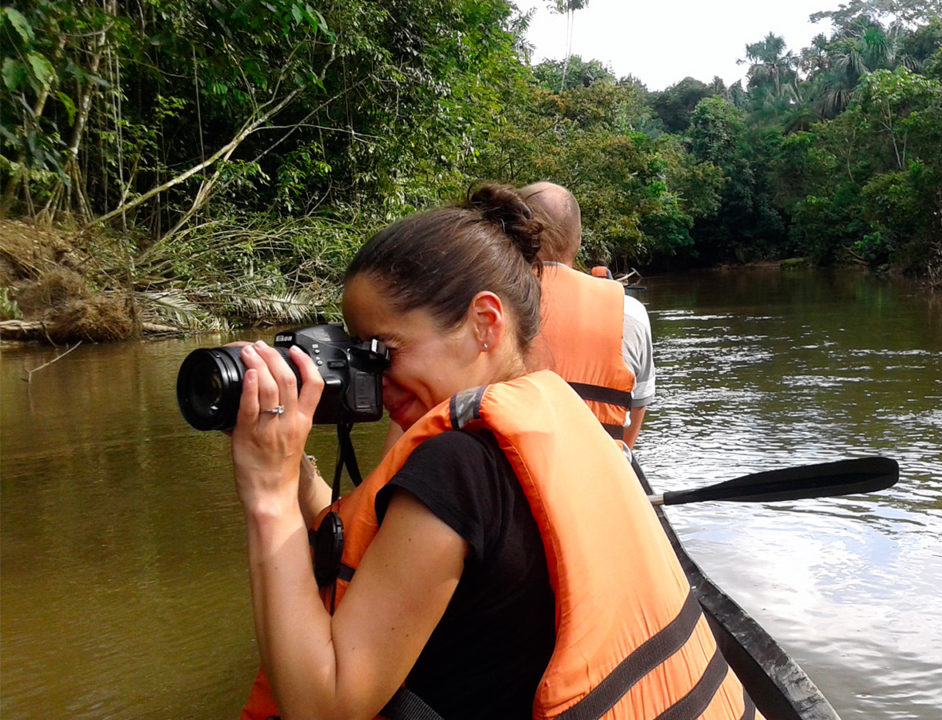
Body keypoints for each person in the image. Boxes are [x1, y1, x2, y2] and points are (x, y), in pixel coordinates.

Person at [230, 185, 755, 719]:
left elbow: (323, 706)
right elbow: (358, 538)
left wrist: (266, 494)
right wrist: (289, 464)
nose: (375, 381)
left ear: (485, 322)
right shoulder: (562, 417)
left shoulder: (457, 467)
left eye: (385, 352)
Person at [518, 181, 655, 449]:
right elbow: (638, 405)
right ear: (578, 242)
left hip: (511, 468)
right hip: (598, 474)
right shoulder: (631, 312)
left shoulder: (489, 306)